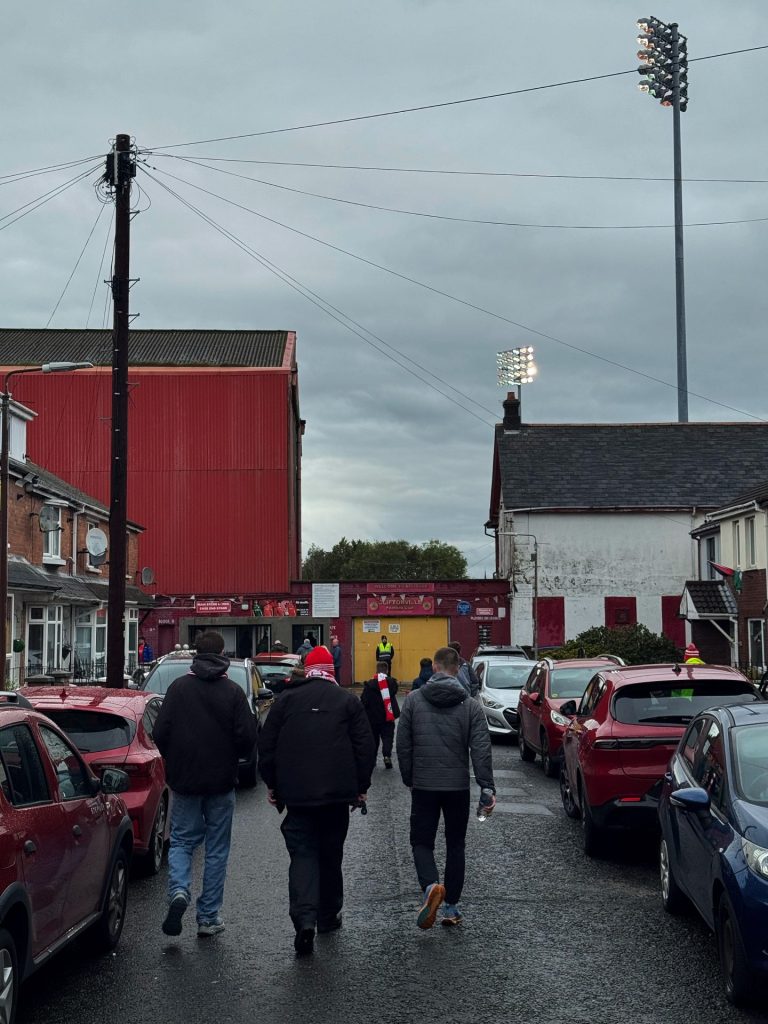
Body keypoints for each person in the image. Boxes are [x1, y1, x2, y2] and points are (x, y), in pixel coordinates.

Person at [259, 645, 376, 955]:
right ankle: (327, 915)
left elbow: (267, 744)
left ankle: (304, 919)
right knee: (331, 855)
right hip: (337, 796)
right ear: (331, 672)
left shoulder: (286, 701)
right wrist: (361, 787)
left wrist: (272, 784)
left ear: (306, 670)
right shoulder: (347, 701)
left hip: (297, 795)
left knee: (303, 855)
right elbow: (365, 747)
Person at [154, 631, 258, 938]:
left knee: (182, 841)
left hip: (185, 779)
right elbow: (247, 737)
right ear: (222, 654)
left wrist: (175, 758)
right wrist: (233, 757)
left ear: (195, 654)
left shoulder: (178, 688)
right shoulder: (233, 691)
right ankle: (208, 917)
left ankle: (179, 890)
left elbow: (159, 733)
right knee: (216, 849)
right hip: (221, 781)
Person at [396, 646, 495, 930]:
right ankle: (451, 907)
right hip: (457, 787)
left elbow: (403, 744)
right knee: (455, 844)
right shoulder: (471, 705)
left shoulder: (413, 700)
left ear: (435, 667)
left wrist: (409, 778)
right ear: (457, 669)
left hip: (424, 785)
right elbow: (481, 749)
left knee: (421, 842)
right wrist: (486, 788)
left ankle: (430, 887)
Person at [361, 661, 400, 769]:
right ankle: (387, 755)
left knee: (373, 738)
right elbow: (394, 692)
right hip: (388, 715)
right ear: (387, 670)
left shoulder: (370, 684)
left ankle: (373, 759)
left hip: (373, 716)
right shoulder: (392, 683)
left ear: (376, 670)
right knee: (388, 737)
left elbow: (364, 700)